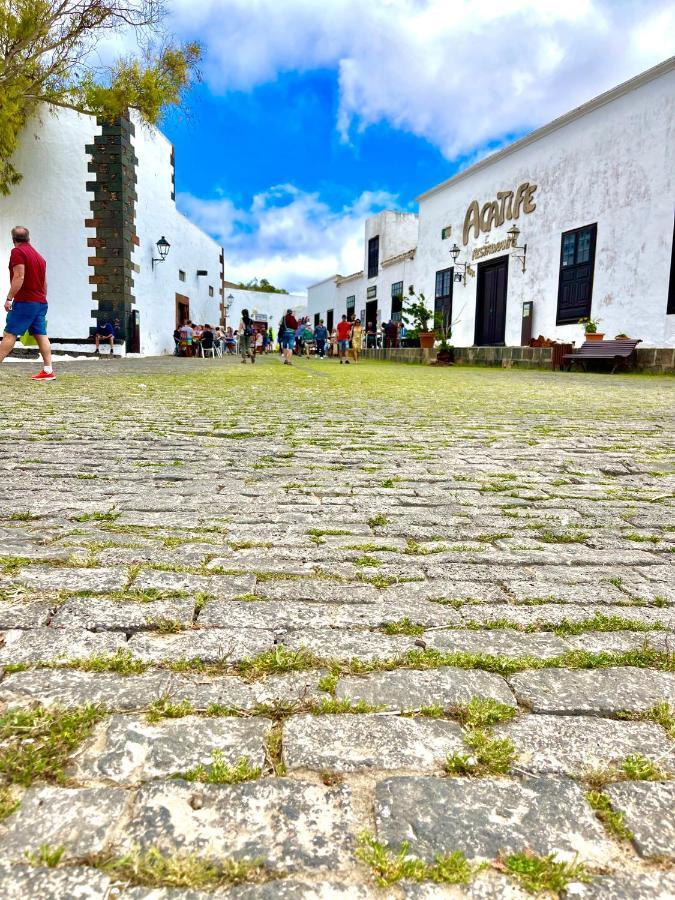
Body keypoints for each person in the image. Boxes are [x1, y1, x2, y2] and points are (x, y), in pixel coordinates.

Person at [0, 226, 55, 380]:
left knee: (9, 333)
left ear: (13, 240)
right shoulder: (39, 257)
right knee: (41, 334)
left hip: (25, 301)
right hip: (40, 302)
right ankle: (48, 370)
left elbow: (19, 276)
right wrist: (41, 298)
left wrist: (9, 298)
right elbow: (45, 283)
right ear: (28, 238)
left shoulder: (17, 252)